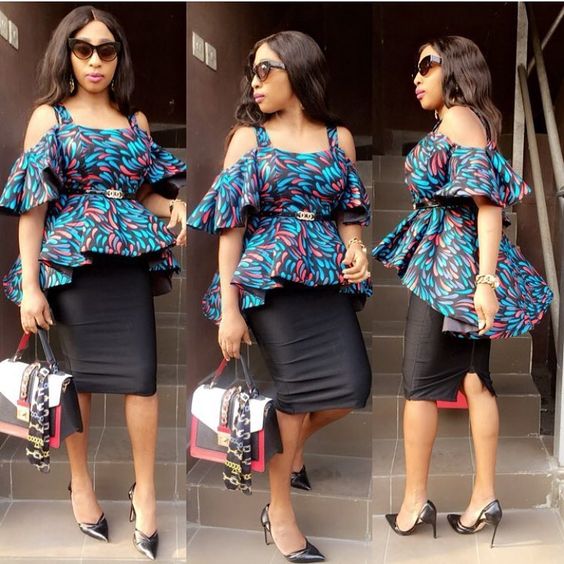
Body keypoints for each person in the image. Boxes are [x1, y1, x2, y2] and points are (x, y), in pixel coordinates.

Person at [0, 6, 186, 560]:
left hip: (126, 264)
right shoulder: (49, 118)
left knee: (142, 380)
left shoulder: (136, 122)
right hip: (71, 265)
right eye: (83, 49)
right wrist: (30, 287)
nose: (96, 60)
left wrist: (174, 208)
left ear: (119, 57)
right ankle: (79, 482)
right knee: (76, 380)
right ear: (68, 55)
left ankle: (145, 492)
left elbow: (143, 194)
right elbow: (33, 207)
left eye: (107, 50)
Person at [188, 30, 372, 563]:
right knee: (293, 395)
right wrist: (229, 310)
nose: (256, 80)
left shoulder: (339, 138)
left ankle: (290, 452)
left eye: (267, 69)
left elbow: (349, 212)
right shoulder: (249, 139)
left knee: (352, 387)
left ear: (299, 71)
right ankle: (281, 511)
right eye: (253, 71)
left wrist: (356, 250)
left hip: (326, 278)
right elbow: (230, 230)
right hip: (268, 282)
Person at [372, 36, 552, 547]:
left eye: (427, 64)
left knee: (418, 383)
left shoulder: (458, 118)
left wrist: (486, 282)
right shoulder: (465, 120)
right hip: (454, 262)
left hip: (448, 268)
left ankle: (415, 503)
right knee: (474, 376)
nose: (417, 76)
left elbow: (489, 206)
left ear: (454, 69)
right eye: (417, 66)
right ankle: (483, 499)